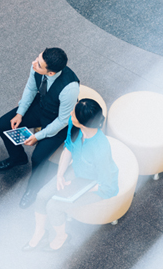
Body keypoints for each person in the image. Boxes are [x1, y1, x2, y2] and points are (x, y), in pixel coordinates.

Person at [23, 99, 119, 252]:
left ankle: (62, 237)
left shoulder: (100, 149)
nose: (70, 114)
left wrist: (76, 188)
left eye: (73, 114)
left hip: (95, 185)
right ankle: (40, 232)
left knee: (54, 206)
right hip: (78, 171)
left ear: (83, 123)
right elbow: (68, 148)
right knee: (42, 195)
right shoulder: (75, 127)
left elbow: (105, 184)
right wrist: (60, 175)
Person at [0, 48, 80, 209]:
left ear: (51, 73)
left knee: (38, 157)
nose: (34, 63)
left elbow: (63, 120)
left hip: (57, 120)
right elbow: (31, 89)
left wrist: (38, 136)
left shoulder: (70, 88)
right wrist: (20, 113)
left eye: (39, 64)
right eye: (37, 58)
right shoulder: (36, 67)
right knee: (2, 125)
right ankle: (17, 157)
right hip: (41, 107)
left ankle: (33, 189)